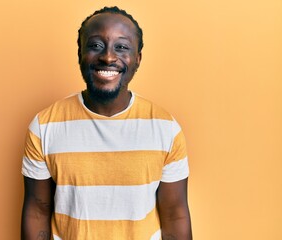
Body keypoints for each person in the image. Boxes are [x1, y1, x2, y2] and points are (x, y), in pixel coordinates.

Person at [21, 6, 192, 240]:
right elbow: (37, 209)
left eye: (121, 47)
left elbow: (175, 214)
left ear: (138, 58)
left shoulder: (166, 128)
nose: (108, 57)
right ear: (80, 53)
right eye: (96, 45)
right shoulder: (44, 126)